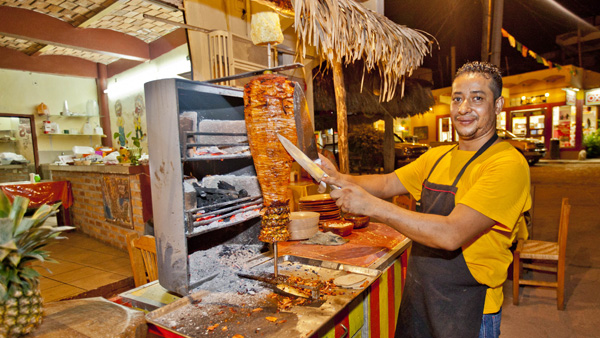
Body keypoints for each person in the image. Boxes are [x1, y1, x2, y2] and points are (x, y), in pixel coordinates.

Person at [319, 61, 531, 338]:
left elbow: (450, 234)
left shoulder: (507, 164)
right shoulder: (437, 157)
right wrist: (337, 177)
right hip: (421, 299)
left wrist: (371, 207)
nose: (464, 108)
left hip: (469, 308)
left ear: (499, 105)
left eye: (477, 98)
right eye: (457, 99)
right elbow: (386, 183)